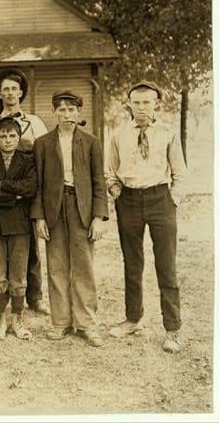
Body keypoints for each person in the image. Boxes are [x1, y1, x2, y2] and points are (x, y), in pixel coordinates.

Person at [107, 81, 187, 353]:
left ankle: (172, 329)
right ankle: (133, 319)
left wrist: (172, 201)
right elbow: (111, 170)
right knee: (132, 263)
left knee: (166, 265)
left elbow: (179, 172)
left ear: (156, 104)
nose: (141, 107)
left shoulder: (167, 132)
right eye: (136, 102)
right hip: (128, 200)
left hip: (160, 198)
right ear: (129, 104)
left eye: (147, 102)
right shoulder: (119, 134)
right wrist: (116, 190)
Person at [31, 90, 108, 347]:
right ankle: (60, 321)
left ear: (78, 112)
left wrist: (98, 216)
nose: (67, 114)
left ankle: (87, 323)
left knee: (84, 265)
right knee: (56, 265)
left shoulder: (91, 142)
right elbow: (38, 185)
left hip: (81, 207)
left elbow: (99, 182)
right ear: (54, 112)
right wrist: (39, 217)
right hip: (54, 208)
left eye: (71, 109)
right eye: (61, 109)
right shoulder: (42, 143)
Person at [0, 67, 50, 316]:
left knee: (28, 244)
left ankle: (34, 297)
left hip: (30, 186)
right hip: (2, 192)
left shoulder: (34, 122)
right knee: (1, 246)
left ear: (21, 92)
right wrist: (11, 190)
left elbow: (43, 153)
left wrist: (26, 188)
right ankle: (3, 299)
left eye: (14, 88)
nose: (10, 93)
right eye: (5, 89)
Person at [0, 116, 37, 341]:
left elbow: (30, 187)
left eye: (12, 135)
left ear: (19, 137)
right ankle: (0, 318)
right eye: (2, 135)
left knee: (19, 273)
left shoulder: (28, 161)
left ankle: (18, 318)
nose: (8, 139)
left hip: (21, 225)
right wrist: (16, 197)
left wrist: (2, 185)